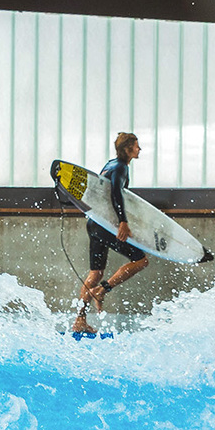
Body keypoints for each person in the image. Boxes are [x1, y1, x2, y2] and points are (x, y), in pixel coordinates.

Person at [73, 132, 149, 334]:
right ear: (127, 149)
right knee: (141, 261)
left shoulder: (110, 164)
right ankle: (102, 290)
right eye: (136, 146)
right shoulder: (121, 167)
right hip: (106, 225)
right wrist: (123, 222)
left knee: (95, 273)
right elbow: (116, 193)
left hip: (94, 222)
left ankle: (79, 319)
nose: (139, 149)